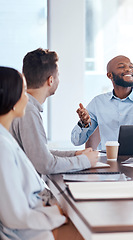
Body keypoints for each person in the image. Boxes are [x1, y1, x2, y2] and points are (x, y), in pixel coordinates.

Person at [0, 66, 79, 240]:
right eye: (23, 91)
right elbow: (15, 215)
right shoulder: (3, 148)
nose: (27, 97)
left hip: (36, 218)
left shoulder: (6, 139)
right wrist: (56, 216)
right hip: (27, 232)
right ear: (11, 99)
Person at [10, 48, 98, 175]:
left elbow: (40, 152)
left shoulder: (25, 106)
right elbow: (45, 164)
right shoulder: (28, 111)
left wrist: (75, 154)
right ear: (51, 80)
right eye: (58, 76)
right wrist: (85, 161)